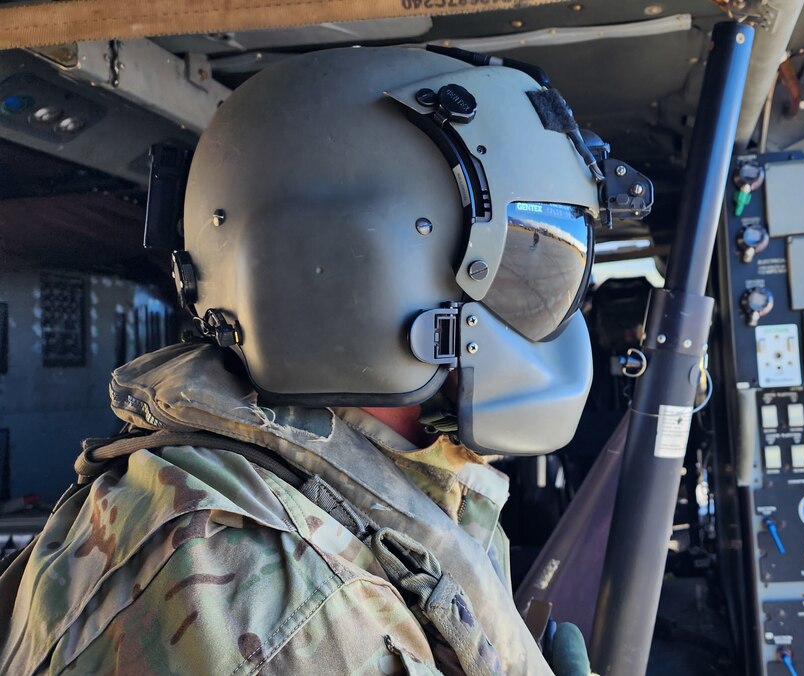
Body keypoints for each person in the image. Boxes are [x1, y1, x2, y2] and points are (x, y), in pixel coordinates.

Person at [0, 45, 608, 675]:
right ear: (364, 271)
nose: (546, 319)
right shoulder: (283, 605)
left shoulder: (336, 498)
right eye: (509, 272)